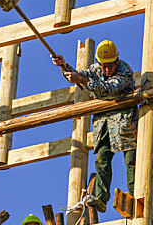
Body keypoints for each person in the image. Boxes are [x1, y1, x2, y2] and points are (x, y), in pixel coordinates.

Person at [52, 40, 138, 213]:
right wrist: (64, 66)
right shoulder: (95, 69)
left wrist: (82, 80)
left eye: (110, 66)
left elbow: (109, 89)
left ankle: (137, 194)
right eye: (103, 66)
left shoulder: (125, 70)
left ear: (116, 60)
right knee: (102, 160)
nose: (106, 70)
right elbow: (78, 74)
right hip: (104, 122)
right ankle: (100, 198)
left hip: (124, 120)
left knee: (131, 160)